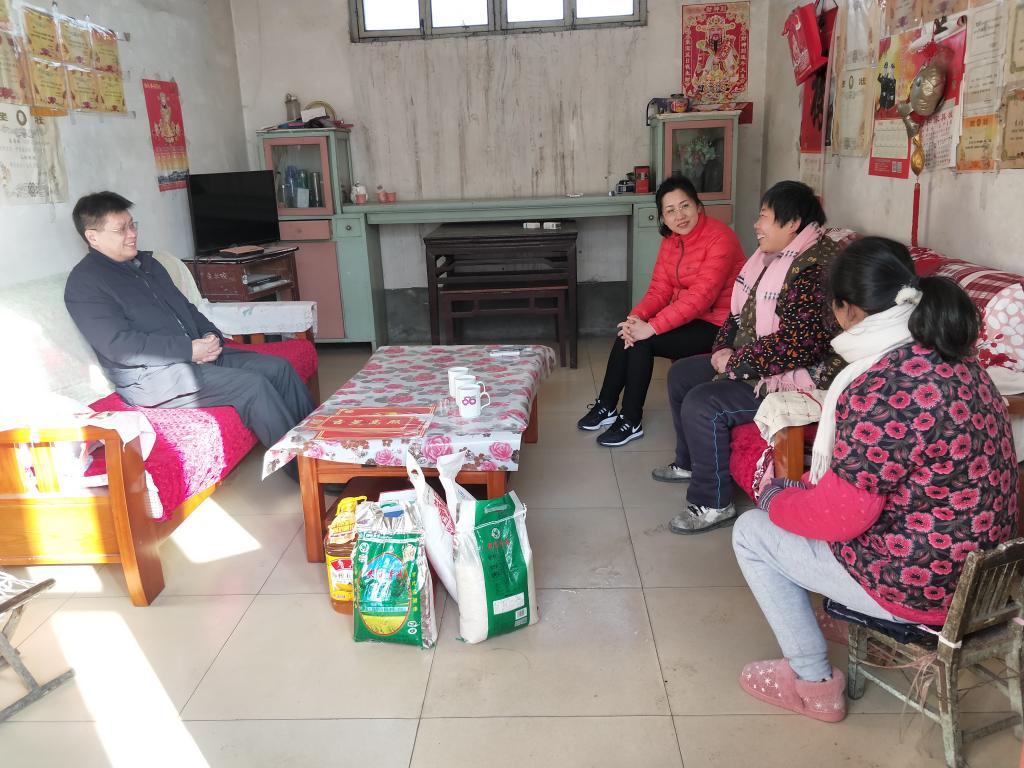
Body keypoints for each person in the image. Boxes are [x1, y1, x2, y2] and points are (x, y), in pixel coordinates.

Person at [731, 236, 1017, 722]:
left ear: (846, 310)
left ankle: (813, 684)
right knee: (807, 498)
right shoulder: (956, 356)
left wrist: (773, 496)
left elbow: (841, 518)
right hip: (988, 575)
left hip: (927, 586)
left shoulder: (882, 385)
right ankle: (852, 620)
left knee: (752, 533)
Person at [64, 191, 314, 478]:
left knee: (279, 369)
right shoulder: (86, 284)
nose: (132, 234)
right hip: (155, 377)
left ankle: (322, 450)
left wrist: (210, 335)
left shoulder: (148, 265)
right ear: (93, 237)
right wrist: (189, 350)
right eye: (121, 229)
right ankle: (307, 474)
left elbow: (187, 309)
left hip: (198, 355)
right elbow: (121, 346)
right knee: (253, 386)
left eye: (133, 225)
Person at [655, 180, 844, 534]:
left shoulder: (815, 268)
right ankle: (689, 463)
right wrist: (721, 350)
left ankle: (714, 503)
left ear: (793, 223)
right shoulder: (772, 258)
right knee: (681, 375)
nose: (756, 225)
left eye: (764, 217)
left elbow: (798, 345)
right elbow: (737, 316)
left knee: (704, 403)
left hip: (800, 378)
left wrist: (736, 362)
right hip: (759, 360)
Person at [577, 176, 745, 447]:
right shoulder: (671, 241)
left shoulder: (720, 238)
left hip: (721, 324)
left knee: (644, 341)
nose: (680, 216)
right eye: (670, 210)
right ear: (663, 218)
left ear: (698, 206)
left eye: (685, 206)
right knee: (629, 334)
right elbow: (659, 290)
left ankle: (631, 420)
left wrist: (652, 327)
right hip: (691, 318)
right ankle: (606, 405)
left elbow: (701, 298)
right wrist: (635, 318)